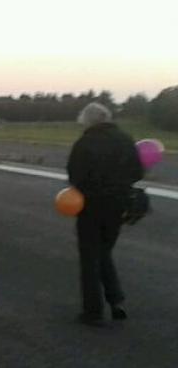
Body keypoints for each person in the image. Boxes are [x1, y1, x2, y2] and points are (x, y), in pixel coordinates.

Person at [68, 102, 144, 326]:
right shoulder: (125, 139)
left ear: (87, 120)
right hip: (119, 204)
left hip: (91, 205)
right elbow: (138, 172)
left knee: (90, 258)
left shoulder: (85, 142)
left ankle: (93, 311)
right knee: (103, 251)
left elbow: (75, 176)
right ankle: (116, 301)